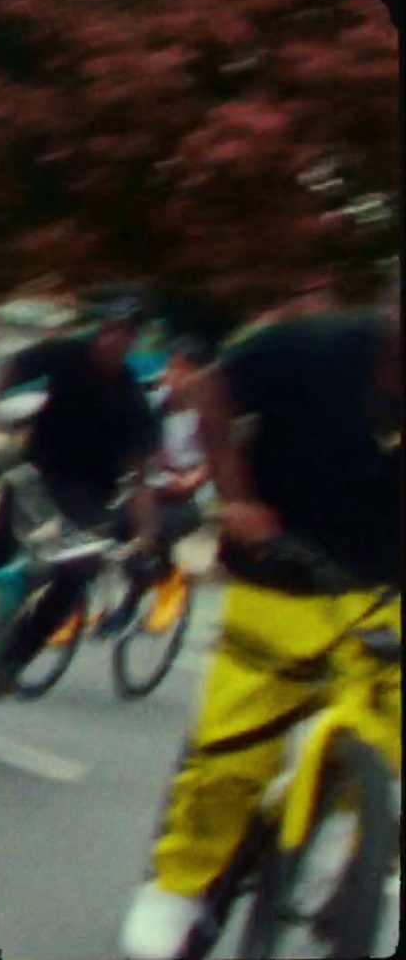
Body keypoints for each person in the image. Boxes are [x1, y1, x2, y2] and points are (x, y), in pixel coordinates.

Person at [119, 308, 402, 960]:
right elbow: (211, 392)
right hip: (284, 576)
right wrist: (235, 495)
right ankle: (178, 885)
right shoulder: (314, 346)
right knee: (230, 755)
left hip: (388, 592)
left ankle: (353, 866)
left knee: (390, 750)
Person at [0, 286, 164, 697]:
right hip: (36, 476)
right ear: (98, 328)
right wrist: (0, 409)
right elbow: (12, 370)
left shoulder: (133, 401)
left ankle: (12, 662)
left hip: (87, 502)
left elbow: (139, 480)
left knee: (77, 575)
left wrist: (146, 540)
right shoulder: (65, 355)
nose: (112, 338)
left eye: (123, 332)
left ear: (132, 340)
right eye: (107, 328)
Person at [108, 336, 213, 631]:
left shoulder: (209, 411)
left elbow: (220, 456)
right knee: (114, 530)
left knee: (156, 532)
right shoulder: (155, 402)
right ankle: (133, 594)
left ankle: (168, 583)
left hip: (188, 498)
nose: (176, 377)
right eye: (173, 368)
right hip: (152, 488)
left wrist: (195, 477)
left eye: (186, 371)